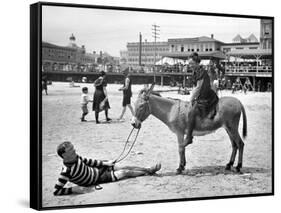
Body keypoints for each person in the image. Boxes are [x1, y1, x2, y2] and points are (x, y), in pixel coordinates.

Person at [53, 141, 161, 195]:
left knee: (124, 166)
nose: (74, 151)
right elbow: (56, 191)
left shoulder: (76, 157)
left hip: (98, 170)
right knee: (125, 172)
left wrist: (106, 163)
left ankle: (146, 169)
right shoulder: (66, 171)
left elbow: (89, 161)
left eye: (73, 148)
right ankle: (149, 171)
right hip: (99, 178)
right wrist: (74, 189)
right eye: (71, 150)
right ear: (64, 155)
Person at [185, 53, 219, 145]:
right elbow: (195, 86)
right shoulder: (195, 72)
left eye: (191, 63)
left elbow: (199, 87)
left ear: (197, 63)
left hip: (207, 97)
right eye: (189, 63)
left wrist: (191, 98)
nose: (190, 65)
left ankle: (189, 137)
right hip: (201, 96)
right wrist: (193, 96)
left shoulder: (201, 72)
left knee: (191, 113)